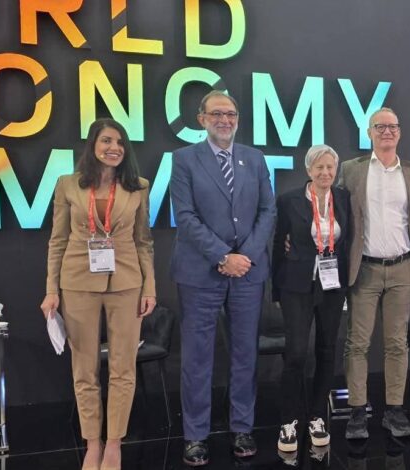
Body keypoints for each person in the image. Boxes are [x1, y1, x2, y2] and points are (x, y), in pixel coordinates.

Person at [40, 118, 157, 470]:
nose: (114, 148)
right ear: (93, 144)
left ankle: (114, 444)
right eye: (106, 140)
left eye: (120, 142)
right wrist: (51, 290)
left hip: (127, 283)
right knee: (84, 368)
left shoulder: (138, 187)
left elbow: (143, 241)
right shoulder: (68, 185)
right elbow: (57, 241)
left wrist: (150, 287)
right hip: (77, 283)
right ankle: (93, 442)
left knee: (123, 368)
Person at [169, 91, 276, 466]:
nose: (224, 120)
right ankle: (195, 436)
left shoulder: (255, 158)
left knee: (245, 355)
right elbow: (185, 216)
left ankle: (242, 427)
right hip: (200, 273)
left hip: (248, 272)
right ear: (201, 118)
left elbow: (267, 211)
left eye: (230, 114)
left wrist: (245, 257)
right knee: (197, 358)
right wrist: (222, 256)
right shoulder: (184, 159)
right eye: (216, 113)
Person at [340, 107, 410, 439]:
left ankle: (394, 411)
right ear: (369, 132)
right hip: (363, 269)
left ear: (400, 132)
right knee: (357, 343)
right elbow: (336, 215)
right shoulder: (351, 170)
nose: (387, 132)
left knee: (396, 343)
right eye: (380, 127)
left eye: (393, 126)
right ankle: (356, 413)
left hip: (402, 269)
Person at [272, 145, 352, 453]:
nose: (325, 173)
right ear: (308, 170)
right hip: (296, 284)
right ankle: (289, 420)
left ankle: (318, 416)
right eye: (319, 167)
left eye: (330, 167)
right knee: (295, 353)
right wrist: (276, 290)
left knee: (327, 350)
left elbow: (348, 240)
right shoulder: (289, 200)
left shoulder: (343, 198)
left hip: (332, 285)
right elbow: (278, 244)